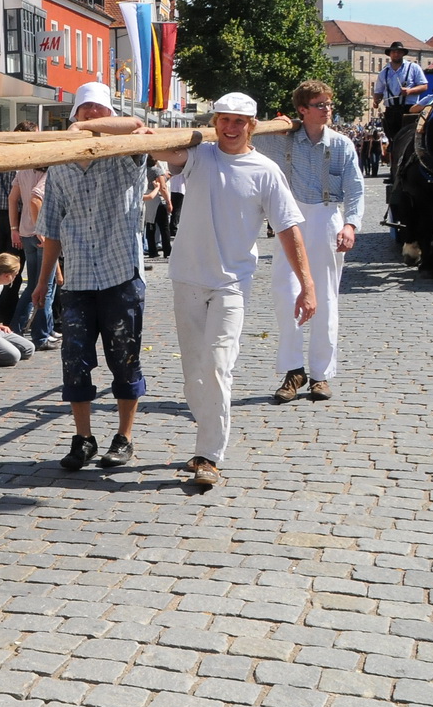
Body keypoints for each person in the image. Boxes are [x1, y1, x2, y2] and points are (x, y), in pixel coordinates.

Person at [150, 93, 315, 488]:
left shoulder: (266, 171)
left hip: (231, 284)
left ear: (252, 126)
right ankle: (206, 432)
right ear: (215, 121)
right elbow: (155, 145)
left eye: (239, 121)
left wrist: (307, 284)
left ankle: (209, 454)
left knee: (218, 365)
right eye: (224, 119)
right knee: (194, 374)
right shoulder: (199, 156)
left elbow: (290, 229)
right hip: (187, 278)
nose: (230, 127)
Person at [29, 82, 152, 472]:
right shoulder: (62, 165)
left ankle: (124, 436)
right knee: (75, 363)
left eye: (99, 110)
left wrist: (91, 130)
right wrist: (43, 281)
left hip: (121, 275)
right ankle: (83, 438)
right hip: (79, 280)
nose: (92, 116)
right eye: (85, 112)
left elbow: (135, 124)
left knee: (125, 360)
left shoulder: (124, 152)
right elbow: (52, 230)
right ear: (74, 115)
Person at [254, 81, 364, 403]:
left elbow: (356, 188)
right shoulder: (282, 141)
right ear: (303, 109)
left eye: (329, 103)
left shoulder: (342, 144)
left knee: (326, 298)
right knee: (285, 293)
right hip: (290, 221)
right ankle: (293, 370)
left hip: (327, 218)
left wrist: (351, 224)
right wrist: (276, 124)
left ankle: (320, 375)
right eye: (320, 104)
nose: (328, 109)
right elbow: (246, 134)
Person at [6, 162, 56, 349]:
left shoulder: (23, 170)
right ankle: (41, 335)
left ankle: (16, 330)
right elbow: (36, 197)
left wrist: (14, 228)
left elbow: (12, 198)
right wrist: (40, 229)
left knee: (32, 286)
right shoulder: (48, 173)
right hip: (40, 236)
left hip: (26, 233)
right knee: (46, 287)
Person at [373, 41, 428, 143]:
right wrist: (376, 101)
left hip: (409, 109)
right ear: (390, 54)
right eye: (394, 52)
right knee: (393, 140)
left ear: (403, 53)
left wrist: (410, 91)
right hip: (391, 111)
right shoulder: (383, 72)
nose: (396, 54)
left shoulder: (413, 68)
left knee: (409, 139)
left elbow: (424, 86)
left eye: (399, 52)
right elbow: (378, 91)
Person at [143, 157, 171, 260]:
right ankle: (167, 251)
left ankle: (152, 250)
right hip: (158, 199)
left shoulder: (144, 170)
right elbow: (163, 187)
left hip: (148, 197)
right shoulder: (157, 170)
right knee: (164, 227)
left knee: (150, 225)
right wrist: (168, 202)